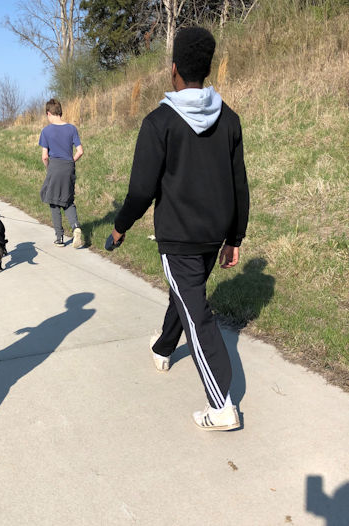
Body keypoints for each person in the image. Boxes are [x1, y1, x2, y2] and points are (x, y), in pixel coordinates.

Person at [110, 27, 249, 431]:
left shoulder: (159, 122)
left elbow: (140, 190)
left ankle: (221, 403)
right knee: (186, 298)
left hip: (179, 238)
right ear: (206, 69)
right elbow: (240, 184)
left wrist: (119, 228)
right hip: (213, 235)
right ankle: (163, 347)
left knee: (197, 312)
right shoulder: (230, 119)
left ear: (173, 69)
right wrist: (234, 237)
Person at [39, 98, 84, 248]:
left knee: (53, 202)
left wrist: (49, 167)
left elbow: (45, 156)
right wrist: (71, 161)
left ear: (48, 113)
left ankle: (59, 237)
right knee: (68, 200)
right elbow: (80, 151)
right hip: (69, 167)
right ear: (60, 112)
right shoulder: (72, 129)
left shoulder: (46, 131)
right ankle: (76, 227)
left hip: (54, 167)